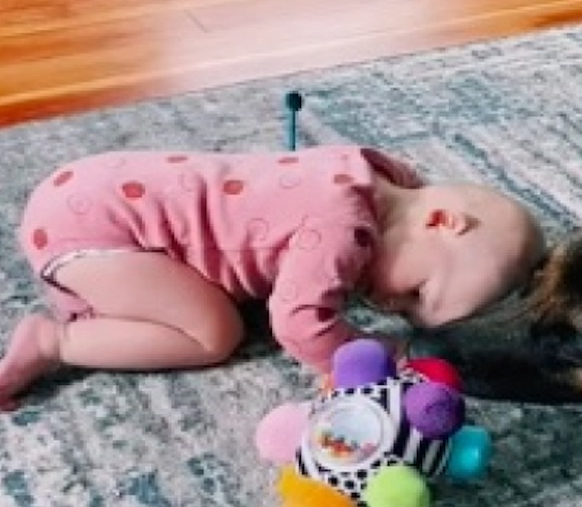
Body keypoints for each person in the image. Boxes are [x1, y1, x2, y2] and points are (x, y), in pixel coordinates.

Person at [0, 145, 544, 409]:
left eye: (403, 313)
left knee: (212, 298)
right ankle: (57, 339)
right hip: (102, 230)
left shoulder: (382, 173)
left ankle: (98, 294)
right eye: (414, 293)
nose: (387, 306)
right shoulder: (344, 233)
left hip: (91, 186)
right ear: (440, 221)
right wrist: (364, 357)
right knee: (212, 333)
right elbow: (299, 323)